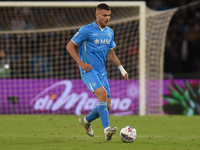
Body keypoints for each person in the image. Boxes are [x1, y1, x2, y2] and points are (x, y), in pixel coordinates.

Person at [66, 3, 129, 142]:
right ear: (97, 15)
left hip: (102, 72)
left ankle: (86, 121)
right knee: (102, 94)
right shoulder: (86, 30)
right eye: (104, 15)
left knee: (107, 106)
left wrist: (121, 69)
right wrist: (81, 63)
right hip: (88, 70)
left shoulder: (109, 32)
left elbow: (111, 54)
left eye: (109, 15)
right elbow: (70, 46)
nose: (107, 18)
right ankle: (107, 131)